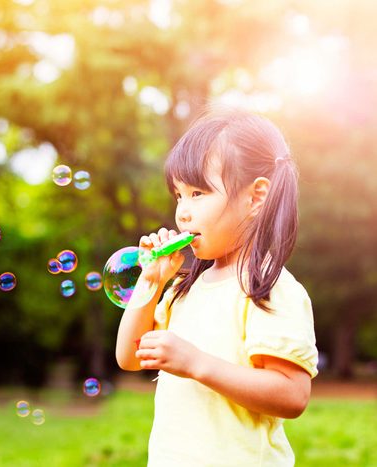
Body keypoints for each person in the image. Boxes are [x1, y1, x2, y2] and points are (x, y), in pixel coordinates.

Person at [115, 108, 318, 466]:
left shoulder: (267, 288)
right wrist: (151, 283)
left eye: (198, 193)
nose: (183, 213)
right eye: (178, 195)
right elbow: (129, 357)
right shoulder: (183, 288)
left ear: (255, 198)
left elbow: (292, 395)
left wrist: (195, 362)